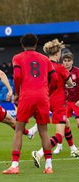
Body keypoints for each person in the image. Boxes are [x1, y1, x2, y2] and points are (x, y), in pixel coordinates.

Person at [2, 34, 58, 175]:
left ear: (22, 45)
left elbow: (17, 76)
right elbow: (55, 78)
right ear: (36, 44)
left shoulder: (18, 57)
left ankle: (15, 166)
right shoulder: (45, 59)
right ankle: (49, 166)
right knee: (44, 131)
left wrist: (16, 93)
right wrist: (46, 92)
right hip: (42, 97)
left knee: (19, 130)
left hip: (26, 96)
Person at [32, 39, 77, 169]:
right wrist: (69, 84)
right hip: (59, 102)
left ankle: (73, 148)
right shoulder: (60, 67)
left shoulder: (43, 66)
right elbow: (69, 83)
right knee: (59, 134)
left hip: (46, 100)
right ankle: (39, 153)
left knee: (66, 124)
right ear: (57, 53)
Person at [53, 49, 79, 155]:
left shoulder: (77, 72)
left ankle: (71, 148)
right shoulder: (60, 70)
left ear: (72, 61)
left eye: (69, 60)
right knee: (62, 123)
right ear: (62, 61)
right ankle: (60, 146)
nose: (67, 63)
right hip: (65, 102)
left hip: (76, 101)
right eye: (65, 61)